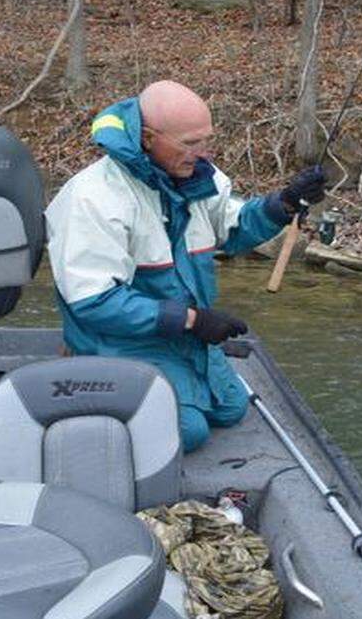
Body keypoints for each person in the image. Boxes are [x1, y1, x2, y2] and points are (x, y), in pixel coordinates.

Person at [45, 81, 325, 452]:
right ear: (148, 138)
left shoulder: (196, 177)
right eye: (190, 143)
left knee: (231, 409)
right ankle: (82, 370)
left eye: (206, 140)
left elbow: (235, 227)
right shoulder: (93, 197)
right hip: (116, 341)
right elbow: (95, 303)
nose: (203, 152)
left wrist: (284, 204)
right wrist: (194, 321)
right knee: (189, 431)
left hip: (177, 338)